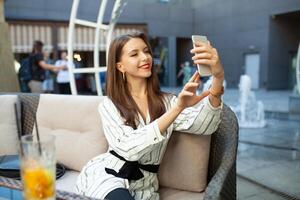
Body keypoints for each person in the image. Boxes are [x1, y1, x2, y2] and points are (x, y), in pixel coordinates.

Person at [76, 32, 225, 200]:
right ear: (120, 66)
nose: (145, 57)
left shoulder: (168, 102)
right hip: (108, 176)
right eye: (134, 54)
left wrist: (218, 78)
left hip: (145, 187)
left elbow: (205, 125)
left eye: (146, 51)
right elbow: (127, 148)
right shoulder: (110, 105)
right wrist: (177, 109)